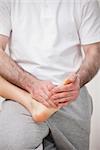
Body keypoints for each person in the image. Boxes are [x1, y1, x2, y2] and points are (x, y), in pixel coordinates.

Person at [0, 0, 100, 150]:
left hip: (70, 94)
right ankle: (30, 102)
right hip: (22, 93)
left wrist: (77, 82)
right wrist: (31, 85)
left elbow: (94, 51)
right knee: (12, 143)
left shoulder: (85, 2)